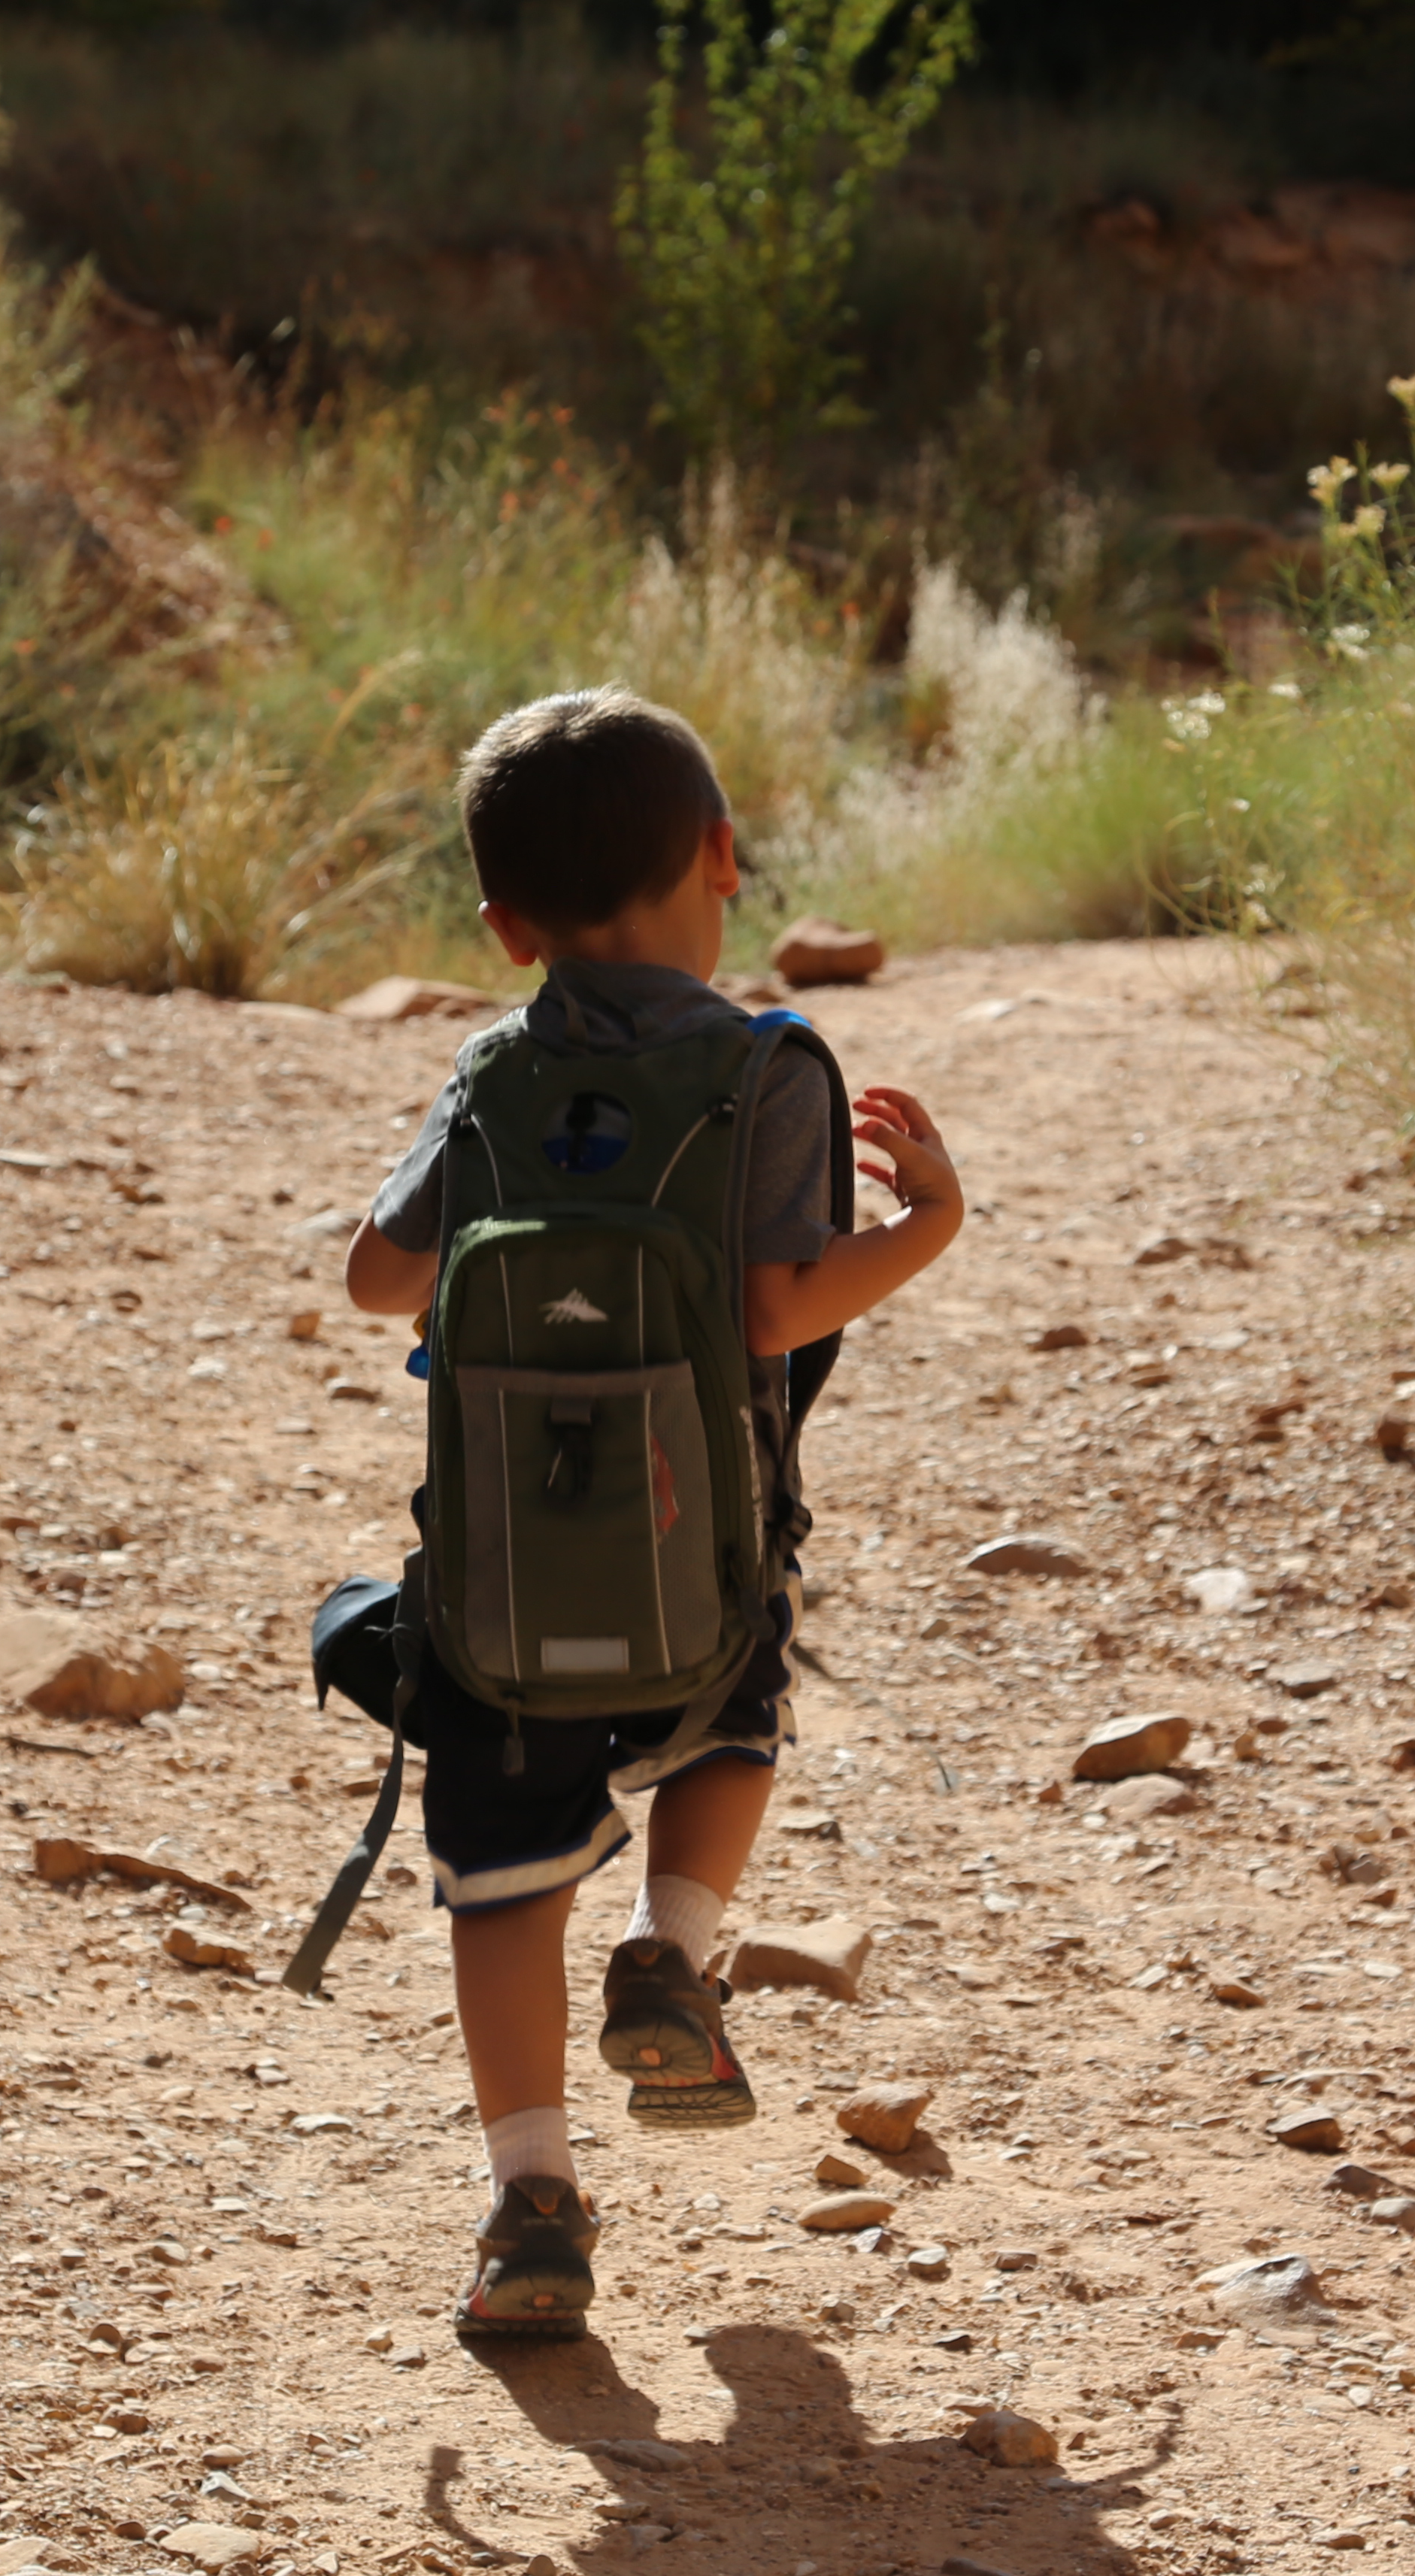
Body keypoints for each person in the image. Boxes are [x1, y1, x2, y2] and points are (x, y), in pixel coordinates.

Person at [341, 685, 964, 2335]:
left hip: (497, 1588)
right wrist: (929, 1231)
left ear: (500, 924)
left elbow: (375, 1279)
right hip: (703, 1554)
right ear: (725, 856)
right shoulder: (765, 1069)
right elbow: (776, 1312)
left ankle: (530, 2208)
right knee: (732, 1726)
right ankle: (673, 1944)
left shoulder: (487, 1070)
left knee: (498, 1880)